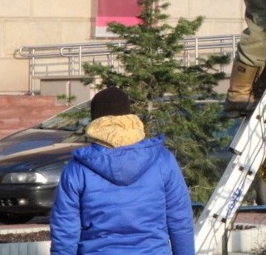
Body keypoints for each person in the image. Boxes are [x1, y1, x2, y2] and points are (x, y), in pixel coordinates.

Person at [49, 87, 195, 255]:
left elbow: (65, 229)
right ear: (129, 118)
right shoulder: (163, 160)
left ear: (95, 122)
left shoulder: (77, 169)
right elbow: (180, 221)